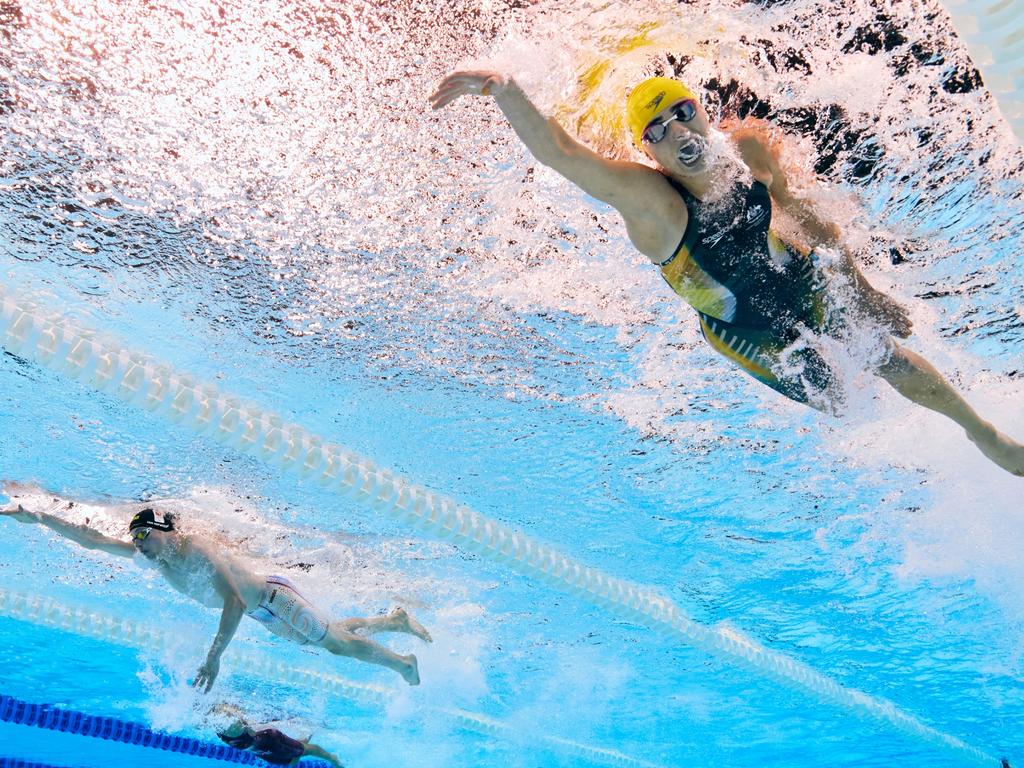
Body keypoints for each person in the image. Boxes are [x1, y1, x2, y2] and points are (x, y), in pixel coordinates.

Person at [429, 72, 1024, 476]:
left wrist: (864, 292)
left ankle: (981, 432)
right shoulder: (653, 205)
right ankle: (917, 468)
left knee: (884, 351)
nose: (679, 132)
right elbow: (562, 153)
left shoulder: (747, 148)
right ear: (648, 151)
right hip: (740, 328)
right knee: (841, 400)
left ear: (702, 113)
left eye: (684, 113)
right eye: (659, 129)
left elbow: (805, 216)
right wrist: (503, 90)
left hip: (794, 274)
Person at [0, 481, 432, 688]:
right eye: (134, 539)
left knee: (334, 644)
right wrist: (37, 516)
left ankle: (403, 664)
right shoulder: (156, 556)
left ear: (163, 528)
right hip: (266, 613)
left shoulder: (195, 550)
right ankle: (391, 619)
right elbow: (93, 540)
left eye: (143, 536)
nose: (137, 545)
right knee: (329, 636)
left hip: (270, 597)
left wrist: (213, 658)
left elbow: (233, 602)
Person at [212, 703, 344, 767]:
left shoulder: (224, 726)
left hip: (270, 742)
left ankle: (333, 758)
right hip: (263, 747)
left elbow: (250, 729)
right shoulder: (226, 725)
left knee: (307, 750)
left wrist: (248, 724)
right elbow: (250, 728)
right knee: (293, 757)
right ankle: (310, 727)